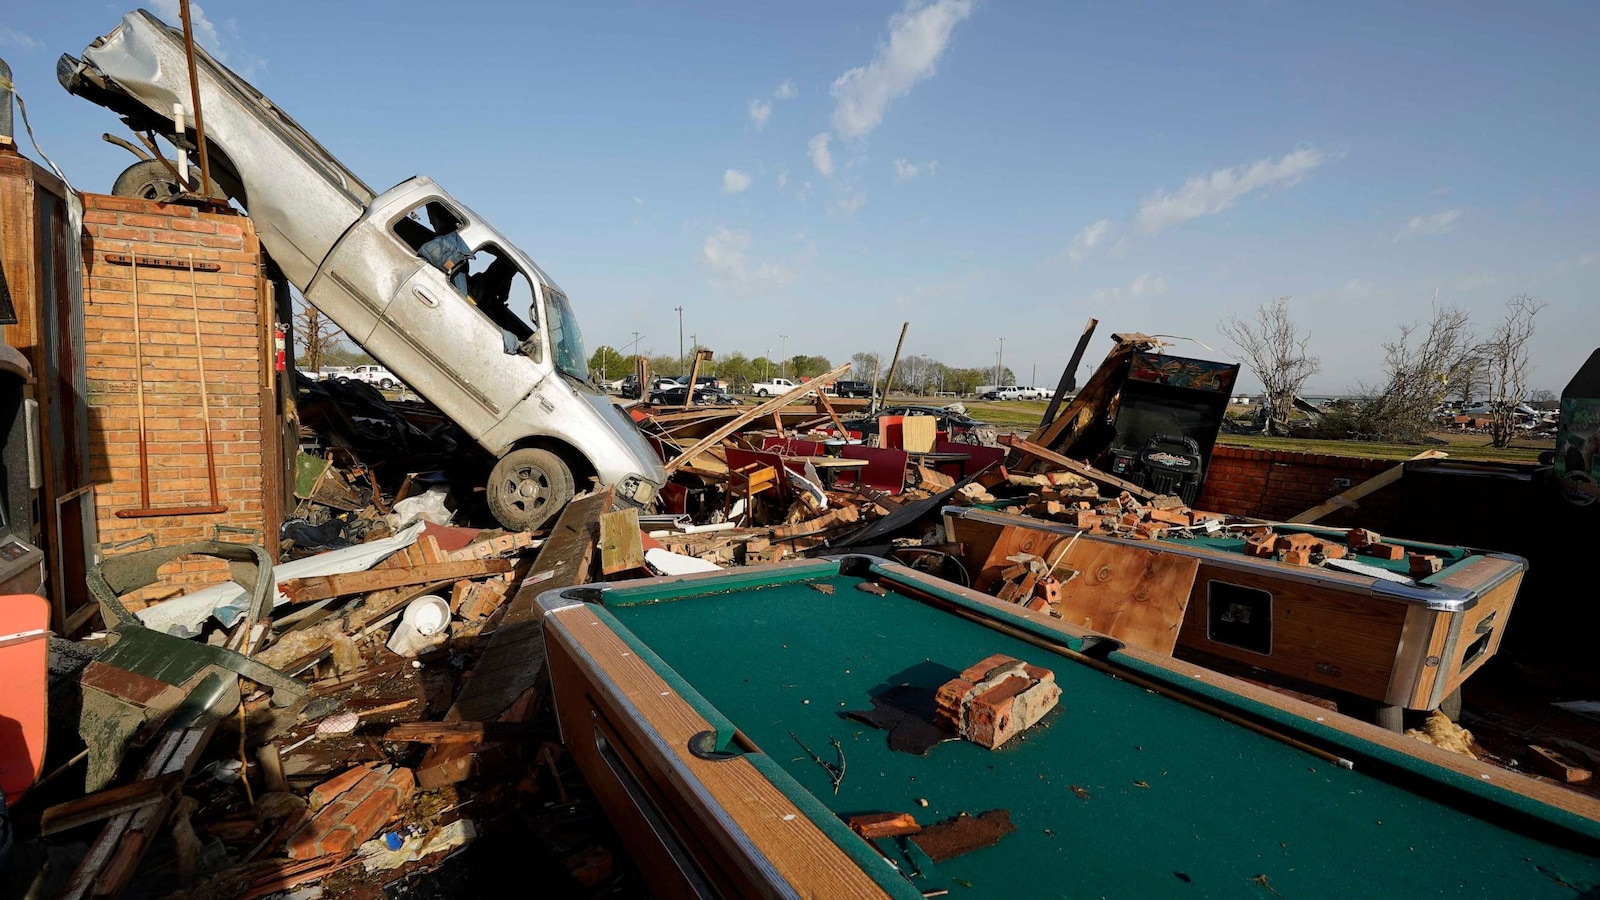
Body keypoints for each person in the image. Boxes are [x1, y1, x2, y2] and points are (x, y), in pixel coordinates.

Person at [468, 256, 535, 354]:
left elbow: (504, 297)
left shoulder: (495, 303)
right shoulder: (480, 285)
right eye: (504, 275)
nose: (504, 280)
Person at [416, 203, 473, 296]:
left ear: (440, 218)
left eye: (431, 216)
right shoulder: (453, 244)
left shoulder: (449, 247)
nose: (430, 221)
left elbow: (461, 293)